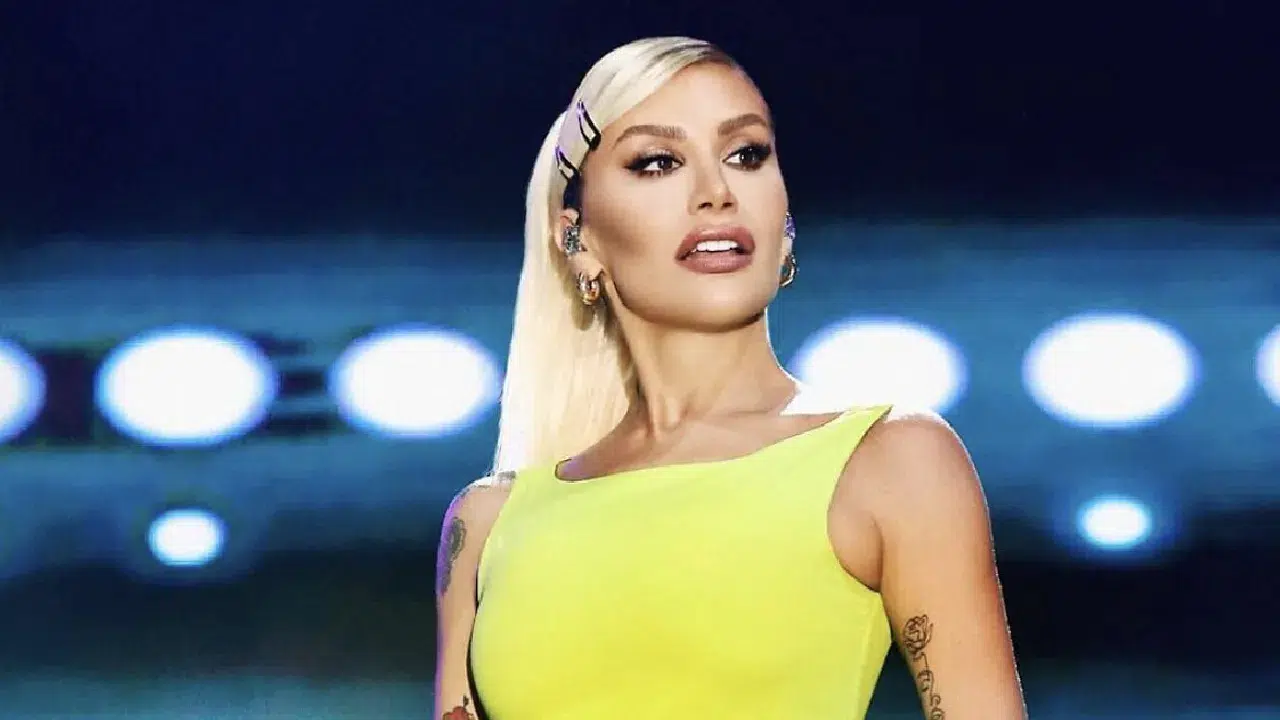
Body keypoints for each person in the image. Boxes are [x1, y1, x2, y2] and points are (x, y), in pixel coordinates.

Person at [434, 36, 1026, 719]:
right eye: (658, 162)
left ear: (786, 222)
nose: (716, 193)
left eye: (746, 155)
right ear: (579, 239)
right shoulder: (487, 526)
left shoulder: (892, 462)